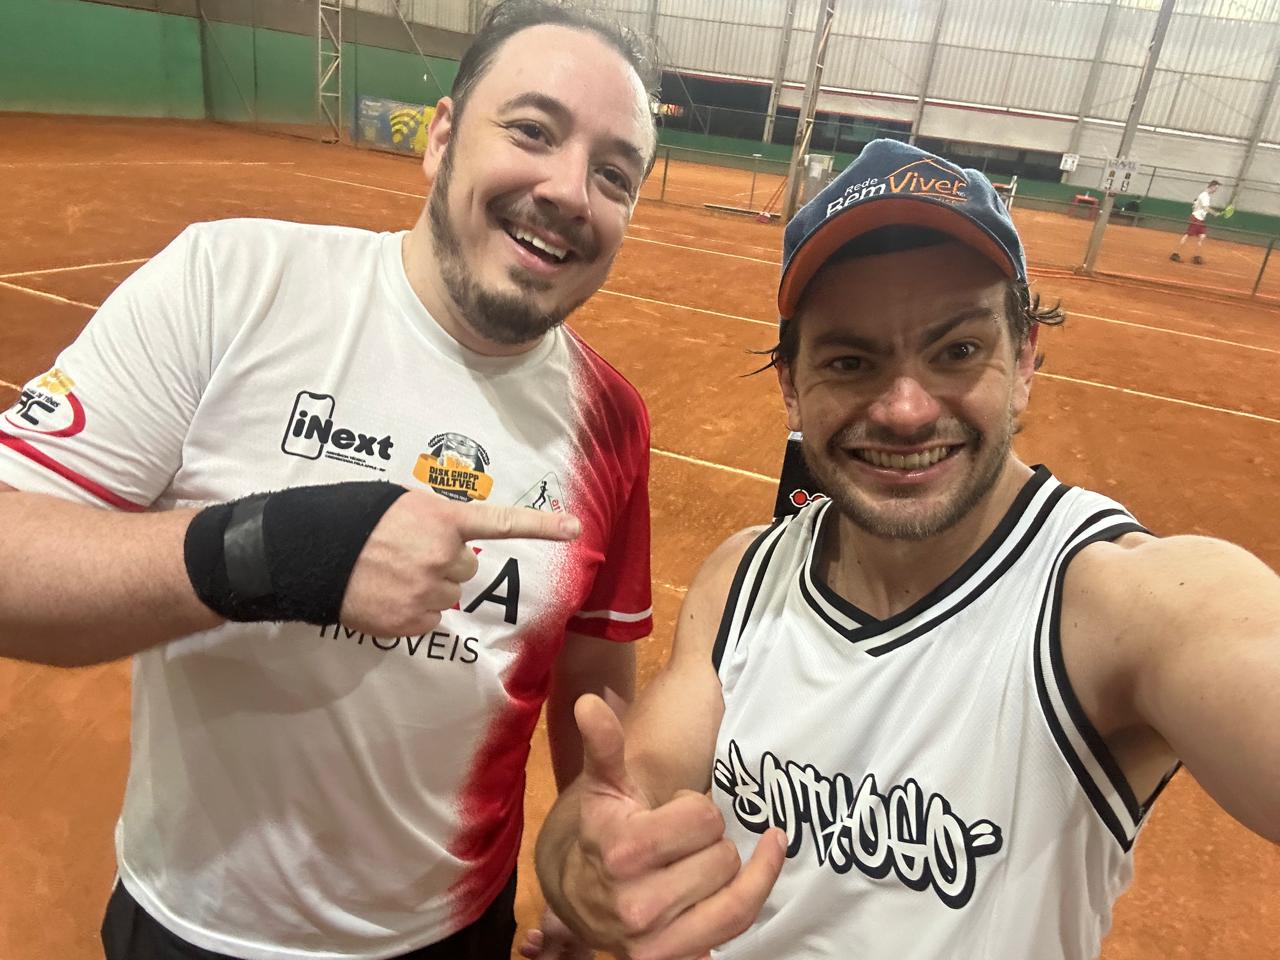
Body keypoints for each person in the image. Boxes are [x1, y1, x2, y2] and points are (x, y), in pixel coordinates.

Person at [0, 2, 660, 958]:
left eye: (614, 174)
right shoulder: (231, 284)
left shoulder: (611, 421)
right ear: (442, 138)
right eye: (532, 130)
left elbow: (595, 674)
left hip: (453, 933)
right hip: (196, 927)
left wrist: (585, 859)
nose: (569, 190)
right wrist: (273, 553)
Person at [534, 140, 1280, 960]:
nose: (904, 409)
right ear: (792, 386)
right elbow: (624, 793)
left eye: (957, 351)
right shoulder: (742, 580)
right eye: (851, 361)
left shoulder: (1111, 605)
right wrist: (584, 866)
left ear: (1025, 359)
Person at [1170, 178, 1220, 264]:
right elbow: (1206, 208)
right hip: (1196, 218)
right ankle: (1175, 254)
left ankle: (1197, 257)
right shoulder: (1205, 196)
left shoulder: (1205, 195)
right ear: (1212, 187)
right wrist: (1215, 213)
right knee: (1187, 236)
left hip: (1201, 219)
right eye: (1216, 188)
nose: (1216, 190)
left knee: (1202, 236)